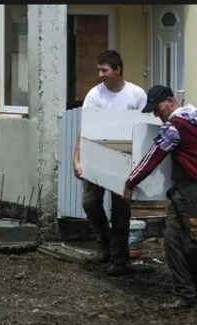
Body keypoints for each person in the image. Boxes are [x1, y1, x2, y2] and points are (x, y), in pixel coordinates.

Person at [123, 85, 197, 309]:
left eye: (157, 107)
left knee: (195, 245)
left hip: (196, 192)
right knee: (172, 241)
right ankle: (186, 293)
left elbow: (152, 157)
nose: (155, 113)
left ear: (171, 101)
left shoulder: (174, 127)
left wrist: (130, 182)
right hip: (188, 191)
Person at [72, 50, 147, 276]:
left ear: (118, 69)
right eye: (99, 69)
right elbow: (84, 128)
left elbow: (145, 128)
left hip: (125, 160)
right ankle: (104, 246)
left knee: (121, 210)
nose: (100, 74)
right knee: (90, 203)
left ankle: (119, 259)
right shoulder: (95, 95)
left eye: (104, 70)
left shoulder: (136, 95)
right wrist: (77, 158)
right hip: (96, 155)